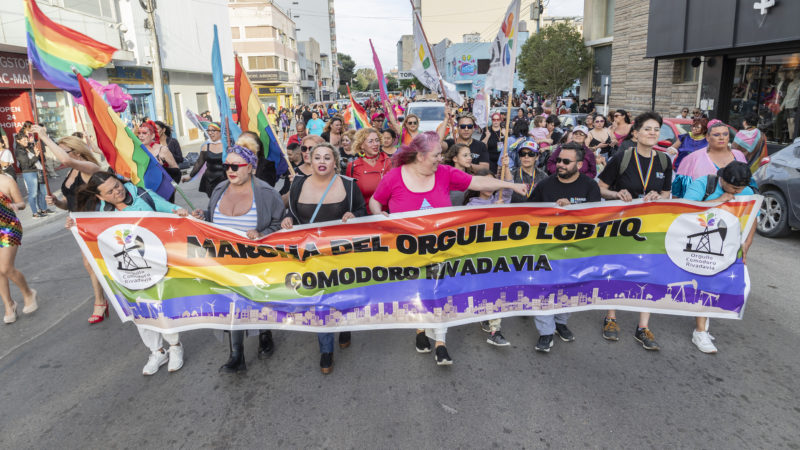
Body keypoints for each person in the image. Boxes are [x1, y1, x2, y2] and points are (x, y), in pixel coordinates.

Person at [369, 131, 528, 365]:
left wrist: (509, 185)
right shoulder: (394, 177)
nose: (440, 159)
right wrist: (378, 214)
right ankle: (420, 331)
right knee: (419, 293)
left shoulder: (443, 173)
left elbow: (478, 181)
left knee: (439, 292)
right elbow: (375, 200)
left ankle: (441, 344)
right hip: (407, 252)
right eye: (436, 155)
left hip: (441, 249)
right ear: (420, 155)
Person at [74, 171, 188, 374]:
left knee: (161, 305)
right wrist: (76, 227)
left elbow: (168, 208)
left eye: (117, 185)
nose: (118, 191)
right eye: (110, 191)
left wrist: (179, 210)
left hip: (156, 263)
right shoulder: (101, 213)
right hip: (127, 271)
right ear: (100, 197)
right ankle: (157, 351)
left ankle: (175, 346)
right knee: (140, 311)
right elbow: (93, 238)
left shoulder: (143, 195)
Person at [189, 145, 283, 373]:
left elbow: (279, 225)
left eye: (235, 166)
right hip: (225, 265)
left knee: (258, 304)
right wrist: (203, 216)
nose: (229, 171)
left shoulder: (266, 193)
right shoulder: (220, 188)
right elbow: (214, 219)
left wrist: (262, 234)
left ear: (250, 167)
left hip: (256, 264)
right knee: (232, 307)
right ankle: (236, 354)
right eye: (226, 166)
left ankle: (264, 334)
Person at [281, 143, 366, 374]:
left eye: (327, 157)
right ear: (309, 159)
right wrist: (288, 220)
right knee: (319, 301)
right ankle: (326, 350)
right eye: (317, 156)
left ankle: (345, 327)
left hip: (341, 257)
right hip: (310, 257)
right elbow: (292, 213)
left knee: (341, 297)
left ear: (334, 161)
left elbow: (361, 210)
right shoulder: (298, 184)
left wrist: (353, 215)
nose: (321, 161)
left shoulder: (349, 185)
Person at [597, 112, 673, 351]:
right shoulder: (622, 157)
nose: (652, 133)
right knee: (618, 269)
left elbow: (667, 193)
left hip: (650, 226)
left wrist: (657, 196)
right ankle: (611, 317)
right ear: (636, 133)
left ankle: (643, 326)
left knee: (648, 272)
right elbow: (601, 187)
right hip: (622, 225)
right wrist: (617, 194)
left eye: (656, 129)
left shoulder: (664, 161)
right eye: (648, 129)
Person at [530, 142, 601, 352]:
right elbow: (528, 214)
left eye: (566, 161)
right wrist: (551, 211)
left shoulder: (590, 186)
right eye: (559, 160)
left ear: (579, 164)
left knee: (569, 290)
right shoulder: (545, 185)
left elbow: (596, 219)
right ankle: (545, 332)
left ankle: (561, 322)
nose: (560, 164)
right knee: (544, 290)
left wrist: (574, 211)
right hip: (547, 250)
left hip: (576, 250)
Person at [681, 161, 757, 354]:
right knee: (705, 285)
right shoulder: (703, 185)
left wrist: (746, 245)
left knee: (719, 286)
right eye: (733, 188)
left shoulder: (746, 191)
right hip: (697, 243)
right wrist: (718, 201)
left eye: (741, 188)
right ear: (722, 179)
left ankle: (703, 324)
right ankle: (700, 331)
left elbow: (752, 218)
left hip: (727, 245)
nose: (737, 192)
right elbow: (685, 210)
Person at [34, 127, 108, 323]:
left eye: (63, 150)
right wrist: (57, 203)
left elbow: (65, 160)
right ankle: (102, 301)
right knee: (92, 265)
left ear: (76, 152)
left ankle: (102, 302)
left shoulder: (88, 167)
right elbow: (70, 202)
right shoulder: (72, 171)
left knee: (96, 263)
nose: (59, 156)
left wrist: (44, 137)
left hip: (97, 222)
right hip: (79, 224)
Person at [673, 120, 747, 198]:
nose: (722, 138)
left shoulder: (739, 155)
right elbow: (677, 193)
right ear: (707, 137)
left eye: (725, 134)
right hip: (700, 207)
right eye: (716, 135)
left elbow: (748, 182)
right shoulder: (692, 159)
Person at [0, 171, 37, 324]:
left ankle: (28, 293)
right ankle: (9, 304)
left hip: (8, 227)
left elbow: (21, 203)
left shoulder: (6, 181)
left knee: (6, 268)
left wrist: (15, 205)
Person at [346, 128, 391, 205]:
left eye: (377, 140)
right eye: (370, 141)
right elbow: (349, 195)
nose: (375, 144)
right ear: (362, 145)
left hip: (389, 213)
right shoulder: (353, 166)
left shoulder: (389, 162)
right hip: (365, 214)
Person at [184, 122, 225, 197]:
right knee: (213, 201)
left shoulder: (227, 146)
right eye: (208, 131)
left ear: (220, 131)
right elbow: (199, 163)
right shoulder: (206, 146)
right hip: (210, 180)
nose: (210, 133)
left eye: (213, 130)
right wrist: (190, 176)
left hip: (224, 180)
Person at [14, 133, 50, 218]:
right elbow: (27, 164)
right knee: (33, 193)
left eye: (26, 139)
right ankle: (35, 213)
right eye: (24, 140)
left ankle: (44, 209)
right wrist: (36, 155)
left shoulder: (30, 147)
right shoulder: (19, 151)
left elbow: (39, 158)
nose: (26, 141)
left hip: (39, 170)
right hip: (29, 172)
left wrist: (38, 152)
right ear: (18, 141)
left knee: (43, 192)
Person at [138, 121, 180, 191]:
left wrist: (161, 167)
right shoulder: (137, 152)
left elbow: (177, 172)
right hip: (147, 191)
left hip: (164, 190)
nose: (141, 136)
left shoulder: (162, 150)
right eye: (139, 133)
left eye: (144, 133)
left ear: (152, 135)